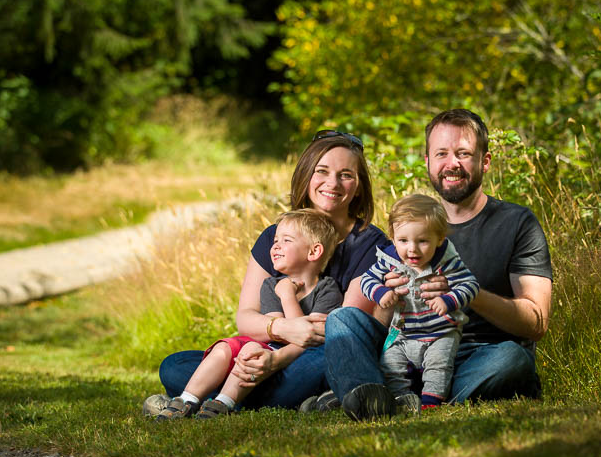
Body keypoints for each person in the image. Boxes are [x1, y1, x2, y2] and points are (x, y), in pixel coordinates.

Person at [325, 109, 553, 421]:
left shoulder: (517, 223)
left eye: (463, 153)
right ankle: (380, 393)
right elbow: (384, 320)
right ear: (427, 162)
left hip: (478, 355)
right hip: (408, 349)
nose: (452, 164)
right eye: (441, 153)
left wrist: (468, 294)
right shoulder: (409, 226)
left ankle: (385, 395)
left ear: (484, 161)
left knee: (513, 358)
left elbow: (536, 323)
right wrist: (389, 296)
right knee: (342, 321)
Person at [143, 130, 388, 416]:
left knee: (319, 364)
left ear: (358, 187)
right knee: (174, 366)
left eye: (346, 175)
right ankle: (296, 399)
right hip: (267, 348)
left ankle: (222, 397)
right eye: (322, 171)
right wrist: (279, 331)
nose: (332, 183)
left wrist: (275, 361)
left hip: (315, 355)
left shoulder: (371, 244)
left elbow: (340, 331)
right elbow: (246, 317)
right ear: (306, 175)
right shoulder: (275, 237)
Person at [154, 209, 343, 420]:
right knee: (212, 354)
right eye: (276, 240)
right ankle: (188, 400)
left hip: (296, 361)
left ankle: (224, 401)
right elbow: (281, 332)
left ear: (314, 251)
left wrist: (288, 295)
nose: (275, 246)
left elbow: (307, 338)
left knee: (321, 361)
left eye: (286, 240)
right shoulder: (271, 285)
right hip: (263, 355)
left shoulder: (328, 290)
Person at [360, 194, 479, 415]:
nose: (412, 249)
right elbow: (366, 280)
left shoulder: (447, 262)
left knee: (438, 365)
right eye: (403, 241)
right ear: (393, 238)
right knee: (390, 364)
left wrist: (448, 300)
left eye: (422, 241)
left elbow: (470, 285)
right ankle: (401, 399)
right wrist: (380, 293)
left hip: (440, 332)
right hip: (403, 333)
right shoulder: (389, 261)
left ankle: (430, 401)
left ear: (439, 239)